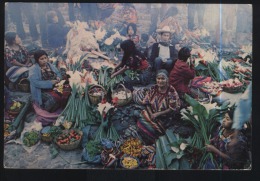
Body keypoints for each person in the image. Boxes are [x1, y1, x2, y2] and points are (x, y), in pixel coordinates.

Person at [136, 69, 181, 145]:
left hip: (165, 117)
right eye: (158, 78)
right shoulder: (153, 88)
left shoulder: (171, 91)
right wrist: (151, 114)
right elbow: (146, 102)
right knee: (139, 118)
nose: (160, 81)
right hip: (153, 114)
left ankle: (154, 138)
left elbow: (172, 108)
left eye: (163, 79)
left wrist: (158, 114)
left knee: (154, 130)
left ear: (167, 80)